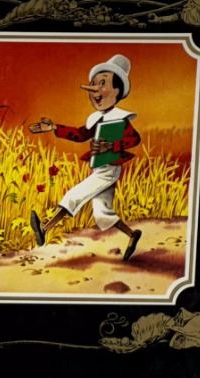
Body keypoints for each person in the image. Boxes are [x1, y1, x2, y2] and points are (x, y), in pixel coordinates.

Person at [27, 54, 144, 262]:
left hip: (109, 169)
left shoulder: (120, 118)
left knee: (75, 194)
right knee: (102, 213)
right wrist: (54, 127)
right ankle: (132, 235)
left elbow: (134, 139)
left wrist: (112, 146)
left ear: (117, 91)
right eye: (93, 85)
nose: (95, 91)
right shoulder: (96, 118)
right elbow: (81, 134)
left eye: (102, 84)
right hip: (99, 168)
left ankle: (44, 229)